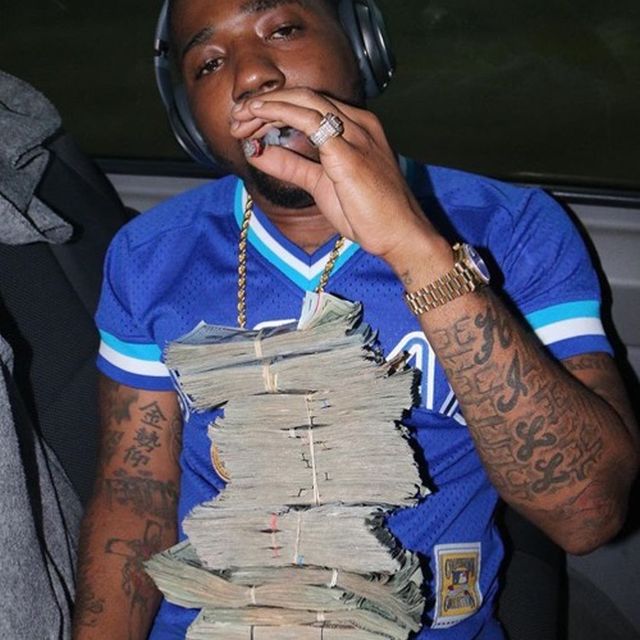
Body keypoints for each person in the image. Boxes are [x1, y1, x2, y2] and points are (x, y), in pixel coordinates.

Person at [72, 0, 639, 638]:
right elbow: (134, 496)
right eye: (208, 63)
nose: (251, 75)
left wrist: (414, 249)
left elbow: (587, 514)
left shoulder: (513, 228)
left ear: (362, 48)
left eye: (283, 29)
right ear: (191, 119)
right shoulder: (150, 257)